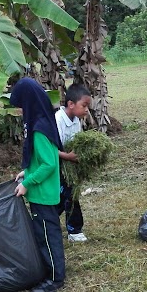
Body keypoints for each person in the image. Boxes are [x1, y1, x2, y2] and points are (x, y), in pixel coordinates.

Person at [10, 78, 66, 292]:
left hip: (42, 193)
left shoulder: (39, 129)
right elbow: (45, 158)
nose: (21, 111)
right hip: (45, 190)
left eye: (22, 106)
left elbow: (49, 164)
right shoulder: (44, 121)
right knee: (47, 233)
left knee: (47, 236)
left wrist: (27, 183)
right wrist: (28, 170)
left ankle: (55, 279)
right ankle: (53, 272)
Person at [55, 84, 92, 242]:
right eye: (84, 106)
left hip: (70, 167)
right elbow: (49, 148)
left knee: (67, 196)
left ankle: (48, 220)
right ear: (71, 104)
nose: (86, 110)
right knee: (68, 196)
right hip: (57, 165)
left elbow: (77, 142)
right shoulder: (58, 120)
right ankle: (74, 230)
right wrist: (67, 156)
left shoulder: (76, 120)